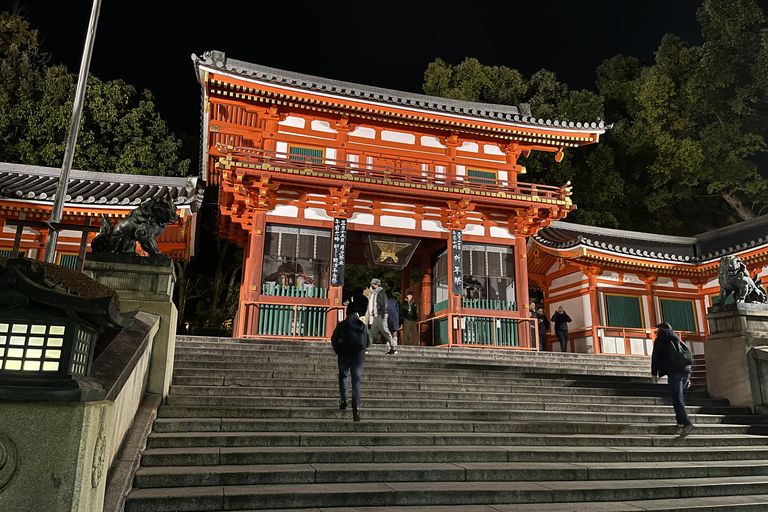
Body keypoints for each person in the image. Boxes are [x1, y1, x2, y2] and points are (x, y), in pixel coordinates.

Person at [331, 295, 372, 422]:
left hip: (344, 354)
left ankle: (344, 400)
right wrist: (362, 349)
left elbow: (333, 338)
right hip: (358, 356)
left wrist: (337, 349)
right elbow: (369, 341)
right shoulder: (362, 325)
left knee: (343, 376)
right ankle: (356, 406)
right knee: (356, 380)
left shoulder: (342, 324)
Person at [651, 322, 694, 436]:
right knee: (678, 396)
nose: (656, 332)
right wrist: (688, 377)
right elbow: (683, 355)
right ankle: (680, 420)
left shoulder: (660, 339)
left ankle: (686, 423)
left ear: (661, 329)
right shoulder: (676, 338)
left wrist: (654, 373)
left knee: (677, 397)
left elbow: (655, 356)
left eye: (657, 329)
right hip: (686, 370)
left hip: (674, 371)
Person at [367, 278, 397, 354]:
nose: (372, 285)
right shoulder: (376, 293)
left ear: (377, 285)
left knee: (386, 332)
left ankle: (393, 348)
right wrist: (374, 312)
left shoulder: (381, 293)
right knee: (372, 332)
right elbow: (376, 304)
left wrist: (383, 313)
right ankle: (366, 348)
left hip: (381, 315)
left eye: (373, 284)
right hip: (377, 315)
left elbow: (384, 304)